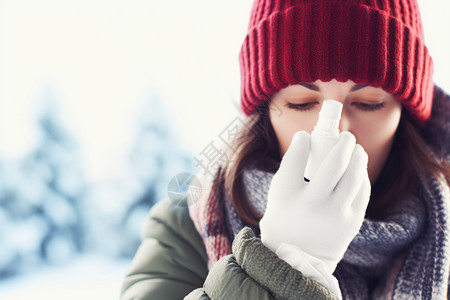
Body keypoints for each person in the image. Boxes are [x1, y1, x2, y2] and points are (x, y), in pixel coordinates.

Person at [120, 0, 450, 299]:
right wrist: (273, 271)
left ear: (404, 116)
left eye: (369, 104)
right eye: (301, 103)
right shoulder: (186, 228)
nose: (334, 130)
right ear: (266, 113)